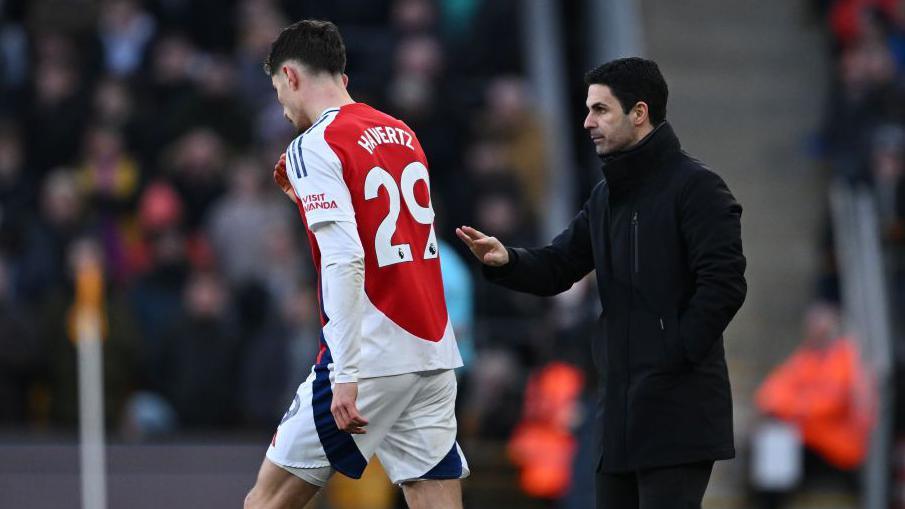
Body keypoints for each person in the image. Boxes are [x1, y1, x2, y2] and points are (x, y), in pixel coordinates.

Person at [457, 57, 747, 509]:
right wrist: (507, 259)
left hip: (678, 407)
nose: (587, 122)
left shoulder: (699, 189)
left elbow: (725, 285)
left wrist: (674, 354)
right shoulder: (605, 194)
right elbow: (558, 266)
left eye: (600, 110)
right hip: (618, 410)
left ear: (639, 113)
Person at [244, 20, 467, 509]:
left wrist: (345, 372)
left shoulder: (312, 145)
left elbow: (344, 258)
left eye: (278, 89)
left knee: (265, 502)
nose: (281, 107)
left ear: (290, 76)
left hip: (369, 357)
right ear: (342, 77)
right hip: (431, 351)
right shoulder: (401, 132)